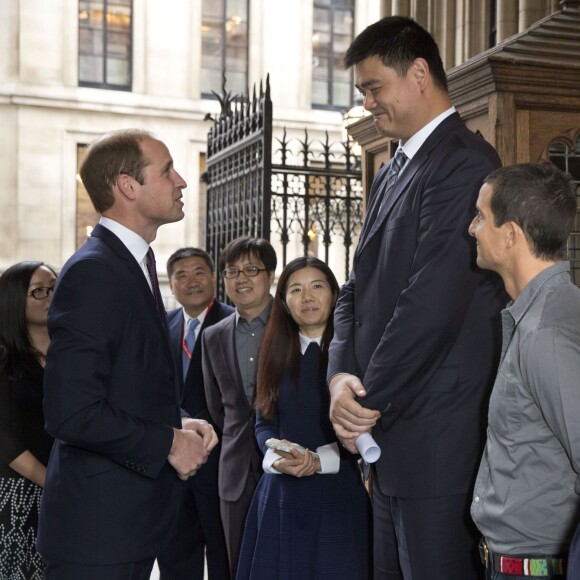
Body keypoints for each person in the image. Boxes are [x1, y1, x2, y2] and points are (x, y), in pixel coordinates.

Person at [327, 16, 507, 579]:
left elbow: (430, 303)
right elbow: (355, 286)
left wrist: (362, 404)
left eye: (374, 88)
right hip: (388, 439)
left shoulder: (465, 162)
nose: (368, 106)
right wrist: (338, 377)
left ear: (420, 73)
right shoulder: (389, 170)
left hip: (435, 440)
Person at [37, 129, 218, 580]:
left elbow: (123, 385)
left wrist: (175, 420)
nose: (181, 181)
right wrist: (170, 442)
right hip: (97, 534)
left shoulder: (128, 262)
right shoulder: (94, 272)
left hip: (125, 526)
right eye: (168, 170)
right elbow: (70, 411)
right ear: (128, 187)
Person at [468, 163, 580, 580]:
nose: (471, 227)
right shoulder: (541, 315)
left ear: (511, 234)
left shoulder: (547, 331)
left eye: (480, 215)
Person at [236, 256, 372, 580]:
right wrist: (277, 457)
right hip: (280, 496)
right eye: (295, 289)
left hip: (338, 496)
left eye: (317, 286)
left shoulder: (356, 354)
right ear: (283, 301)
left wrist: (317, 459)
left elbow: (366, 425)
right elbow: (263, 422)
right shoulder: (275, 352)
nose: (307, 297)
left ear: (335, 294)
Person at [202, 236, 277, 578]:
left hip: (285, 465)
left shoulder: (291, 325)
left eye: (251, 269)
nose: (241, 278)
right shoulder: (212, 335)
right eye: (232, 271)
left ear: (271, 276)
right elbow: (217, 407)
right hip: (233, 471)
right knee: (237, 566)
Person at [158, 247, 233, 580]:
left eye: (199, 272)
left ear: (214, 278)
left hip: (221, 462)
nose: (191, 281)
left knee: (223, 556)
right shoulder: (163, 324)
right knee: (175, 558)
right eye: (181, 275)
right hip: (173, 464)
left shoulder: (234, 321)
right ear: (171, 285)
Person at [0, 261, 57, 580]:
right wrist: (50, 481)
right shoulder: (5, 358)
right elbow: (3, 439)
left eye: (54, 287)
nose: (50, 296)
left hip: (69, 487)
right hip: (16, 492)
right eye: (38, 291)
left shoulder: (72, 353)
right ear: (12, 301)